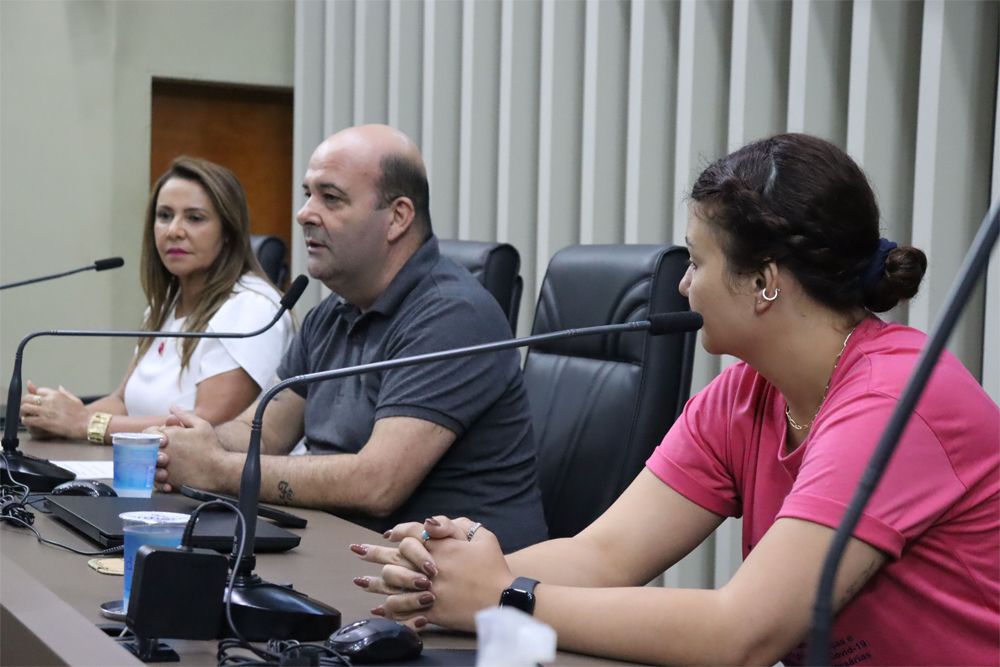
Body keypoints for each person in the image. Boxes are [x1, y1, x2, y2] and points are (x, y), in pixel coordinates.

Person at [354, 134, 1000, 665]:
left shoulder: (894, 399)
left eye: (697, 260)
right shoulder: (747, 392)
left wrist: (504, 593)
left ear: (764, 281)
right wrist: (444, 577)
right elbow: (603, 554)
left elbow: (742, 633)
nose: (685, 285)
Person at [154, 124, 548, 552]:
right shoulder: (334, 310)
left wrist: (215, 469)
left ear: (397, 217)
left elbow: (376, 484)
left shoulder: (453, 314)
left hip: (449, 582)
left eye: (331, 197)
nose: (305, 212)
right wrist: (186, 442)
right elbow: (263, 432)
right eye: (308, 193)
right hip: (343, 549)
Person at [19, 157, 293, 446]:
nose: (174, 230)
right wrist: (57, 418)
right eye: (164, 215)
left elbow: (206, 426)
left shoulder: (251, 307)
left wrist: (84, 423)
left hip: (210, 487)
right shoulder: (164, 307)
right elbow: (122, 402)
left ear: (228, 232)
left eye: (194, 218)